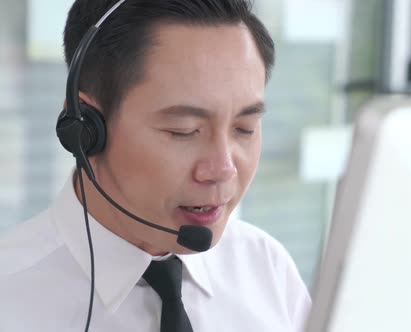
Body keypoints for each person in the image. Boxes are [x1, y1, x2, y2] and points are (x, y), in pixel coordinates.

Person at [0, 0, 311, 331]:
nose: (223, 169)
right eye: (184, 132)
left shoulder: (266, 269)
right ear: (85, 129)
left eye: (244, 129)